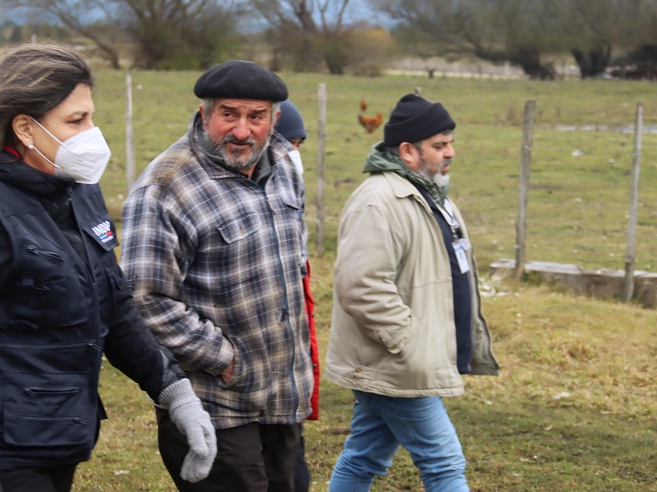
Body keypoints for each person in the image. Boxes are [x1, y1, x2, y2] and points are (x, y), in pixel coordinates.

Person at [0, 43, 216, 492]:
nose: (91, 133)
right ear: (24, 127)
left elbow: (114, 305)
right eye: (76, 121)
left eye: (91, 117)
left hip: (54, 436)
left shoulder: (77, 191)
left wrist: (174, 392)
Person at [119, 61, 313, 492]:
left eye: (256, 117)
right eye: (229, 114)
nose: (242, 131)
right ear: (205, 114)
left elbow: (294, 263)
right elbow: (144, 298)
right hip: (216, 403)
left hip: (283, 394)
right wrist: (224, 360)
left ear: (274, 119)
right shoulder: (165, 186)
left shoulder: (284, 167)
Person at [324, 93, 500, 492]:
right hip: (396, 361)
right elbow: (361, 286)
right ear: (407, 151)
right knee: (445, 463)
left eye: (450, 142)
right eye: (439, 145)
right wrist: (408, 342)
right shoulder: (378, 202)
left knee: (365, 455)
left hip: (401, 359)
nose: (450, 153)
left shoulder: (432, 197)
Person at [275, 99, 319, 492]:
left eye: (299, 147)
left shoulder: (290, 194)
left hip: (289, 378)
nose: (294, 156)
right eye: (289, 144)